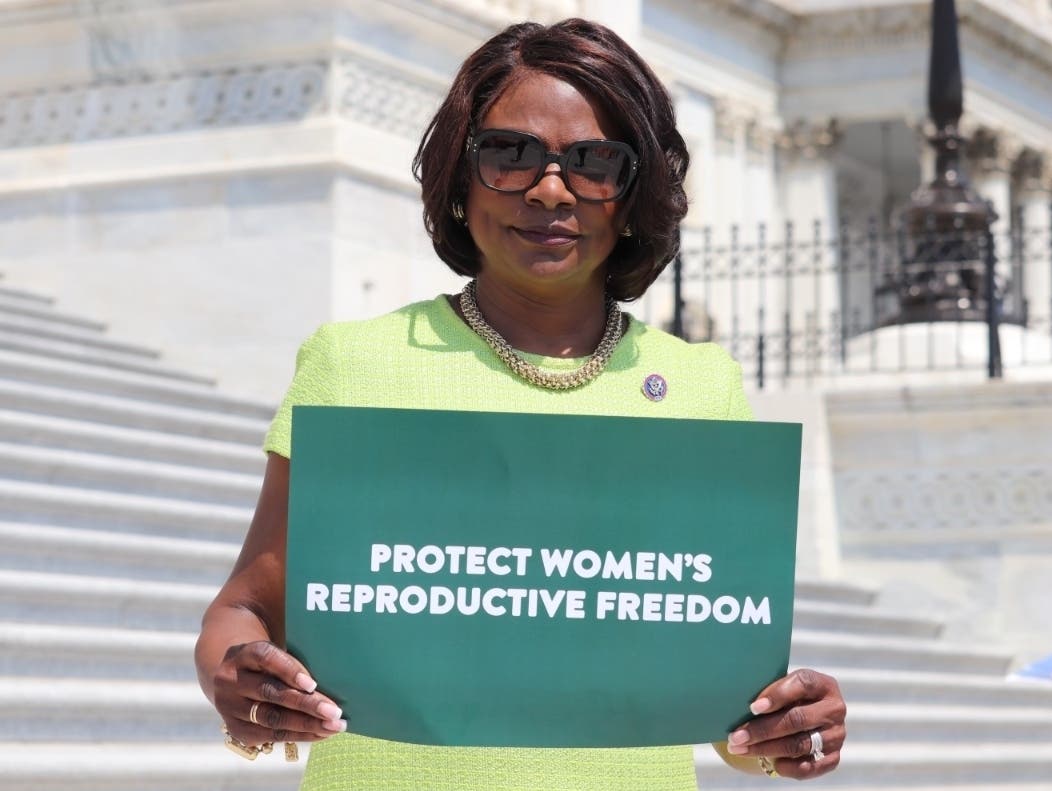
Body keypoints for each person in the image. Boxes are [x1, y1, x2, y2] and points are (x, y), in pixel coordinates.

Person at [195, 17, 847, 790]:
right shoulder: (352, 364)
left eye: (593, 162)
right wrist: (243, 685)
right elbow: (242, 611)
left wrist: (789, 725)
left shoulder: (704, 388)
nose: (548, 188)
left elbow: (720, 701)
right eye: (509, 154)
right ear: (458, 179)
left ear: (632, 194)